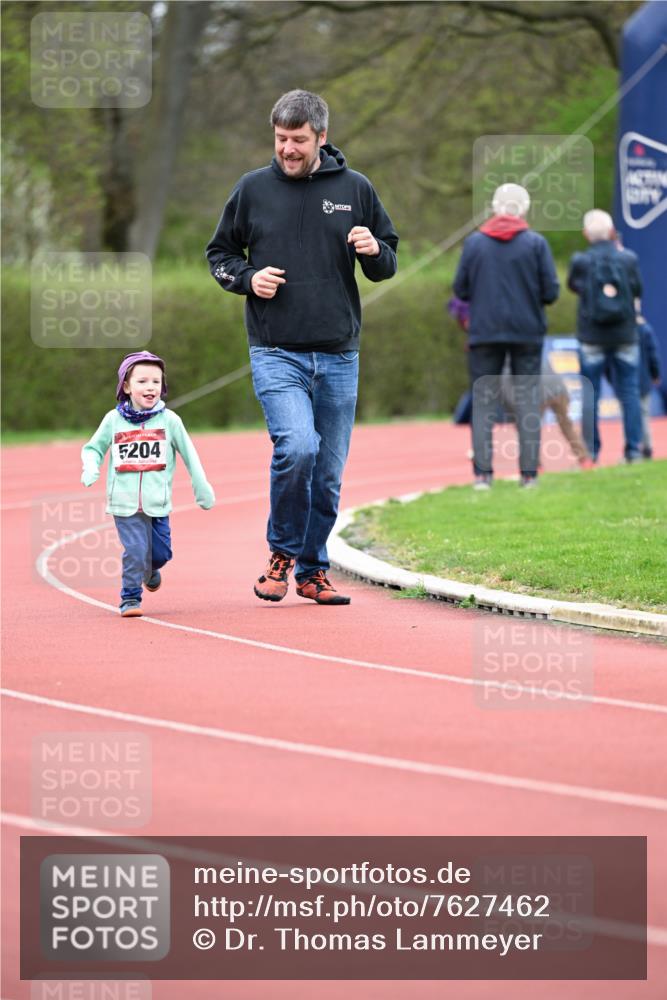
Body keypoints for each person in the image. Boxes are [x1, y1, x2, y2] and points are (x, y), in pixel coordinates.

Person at [205, 90, 398, 605]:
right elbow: (220, 253)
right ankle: (281, 555)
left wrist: (374, 250)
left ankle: (313, 570)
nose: (287, 149)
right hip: (276, 350)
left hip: (339, 354)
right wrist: (248, 279)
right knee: (298, 448)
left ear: (321, 137)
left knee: (328, 475)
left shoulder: (356, 189)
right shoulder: (251, 189)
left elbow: (387, 262)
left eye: (298, 140)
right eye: (280, 138)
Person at [81, 351, 215, 618]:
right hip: (124, 503)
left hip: (158, 503)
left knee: (161, 554)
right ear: (126, 387)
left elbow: (190, 455)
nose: (150, 387)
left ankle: (150, 570)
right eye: (142, 381)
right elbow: (93, 448)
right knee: (135, 550)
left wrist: (201, 486)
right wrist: (91, 466)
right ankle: (130, 598)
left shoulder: (170, 421)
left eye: (156, 381)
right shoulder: (113, 420)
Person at [453, 183, 560, 489]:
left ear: (495, 208)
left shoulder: (474, 243)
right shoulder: (536, 243)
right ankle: (528, 475)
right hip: (526, 331)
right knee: (527, 400)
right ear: (523, 209)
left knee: (483, 400)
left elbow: (460, 289)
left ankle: (482, 475)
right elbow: (551, 292)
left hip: (484, 331)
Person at [567, 209, 643, 463]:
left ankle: (591, 452)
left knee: (591, 394)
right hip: (625, 334)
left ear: (585, 234)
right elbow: (637, 289)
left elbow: (573, 286)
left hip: (592, 335)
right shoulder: (628, 259)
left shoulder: (581, 261)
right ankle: (633, 450)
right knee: (629, 392)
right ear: (612, 232)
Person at [501, 356, 593, 468]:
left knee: (527, 431)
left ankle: (535, 467)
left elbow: (509, 394)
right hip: (559, 388)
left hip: (537, 393)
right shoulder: (528, 350)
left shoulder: (503, 365)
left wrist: (516, 414)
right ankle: (585, 460)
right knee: (567, 425)